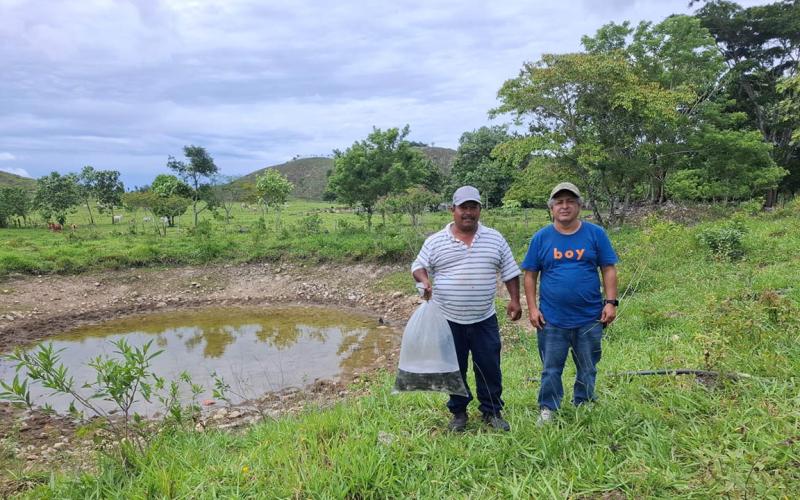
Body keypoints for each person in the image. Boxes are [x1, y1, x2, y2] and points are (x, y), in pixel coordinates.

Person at [412, 186, 522, 432]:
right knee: (454, 367)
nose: (468, 212)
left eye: (473, 207)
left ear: (480, 209)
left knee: (489, 366)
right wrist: (424, 280)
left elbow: (510, 271)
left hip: (484, 318)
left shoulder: (495, 238)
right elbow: (418, 265)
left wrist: (515, 300)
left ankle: (492, 412)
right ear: (453, 210)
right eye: (464, 207)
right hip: (448, 319)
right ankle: (459, 413)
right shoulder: (436, 241)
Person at [521, 182, 618, 425]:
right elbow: (530, 274)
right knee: (551, 368)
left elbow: (608, 269)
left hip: (590, 316)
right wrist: (532, 308)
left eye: (570, 201)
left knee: (588, 365)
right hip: (552, 319)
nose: (565, 206)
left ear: (579, 206)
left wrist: (611, 302)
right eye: (559, 202)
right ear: (552, 208)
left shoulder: (595, 234)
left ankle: (583, 402)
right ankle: (548, 408)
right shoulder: (541, 238)